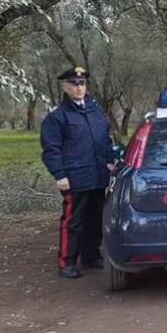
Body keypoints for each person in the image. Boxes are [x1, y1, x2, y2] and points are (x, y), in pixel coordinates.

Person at [40, 67, 114, 278]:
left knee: (95, 219)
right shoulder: (57, 116)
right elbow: (51, 149)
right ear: (65, 87)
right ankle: (67, 262)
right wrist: (59, 175)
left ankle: (91, 257)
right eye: (74, 84)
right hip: (75, 178)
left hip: (99, 176)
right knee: (73, 222)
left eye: (82, 84)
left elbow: (105, 140)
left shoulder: (95, 111)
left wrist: (109, 161)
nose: (79, 87)